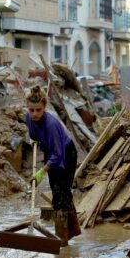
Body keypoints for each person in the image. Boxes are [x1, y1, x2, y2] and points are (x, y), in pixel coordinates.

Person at [25, 86, 81, 246]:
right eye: (31, 110)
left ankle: (62, 239)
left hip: (66, 154)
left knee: (60, 196)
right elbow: (32, 133)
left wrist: (42, 170)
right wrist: (33, 139)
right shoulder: (28, 118)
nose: (34, 113)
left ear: (44, 108)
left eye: (38, 110)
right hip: (52, 152)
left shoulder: (51, 125)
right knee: (59, 191)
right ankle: (73, 230)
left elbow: (58, 155)